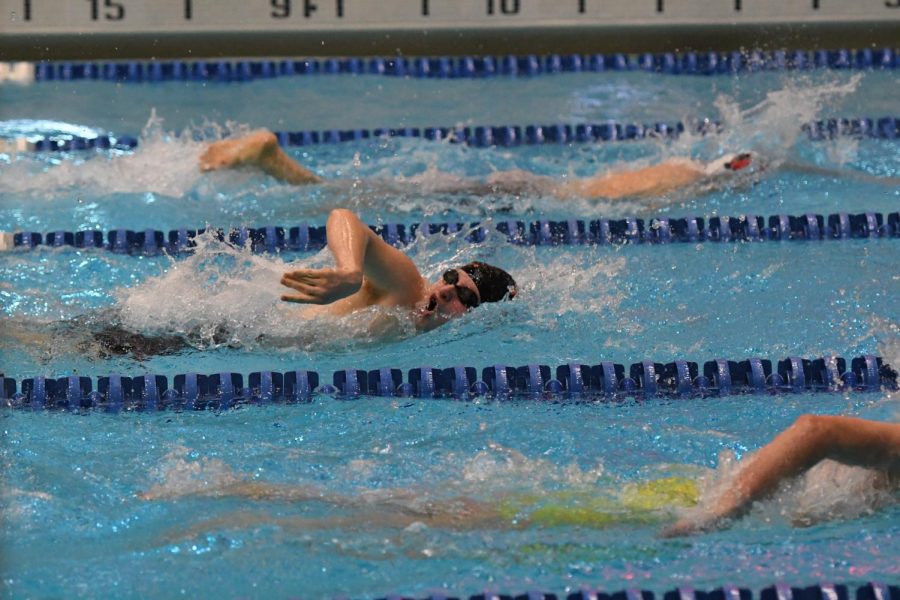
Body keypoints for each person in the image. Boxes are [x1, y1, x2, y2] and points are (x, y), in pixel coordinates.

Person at [140, 415, 899, 539]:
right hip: (673, 509)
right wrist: (720, 515)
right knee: (446, 519)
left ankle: (249, 498)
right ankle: (244, 501)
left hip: (679, 503)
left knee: (443, 515)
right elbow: (816, 429)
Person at [198, 129, 756, 200]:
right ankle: (274, 164)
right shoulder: (692, 176)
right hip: (525, 194)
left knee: (390, 191)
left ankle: (276, 165)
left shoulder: (683, 165)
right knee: (381, 196)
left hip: (522, 186)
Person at [280, 208, 516, 332]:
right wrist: (350, 272)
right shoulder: (407, 286)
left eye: (464, 296)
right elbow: (343, 216)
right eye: (450, 277)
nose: (445, 290)